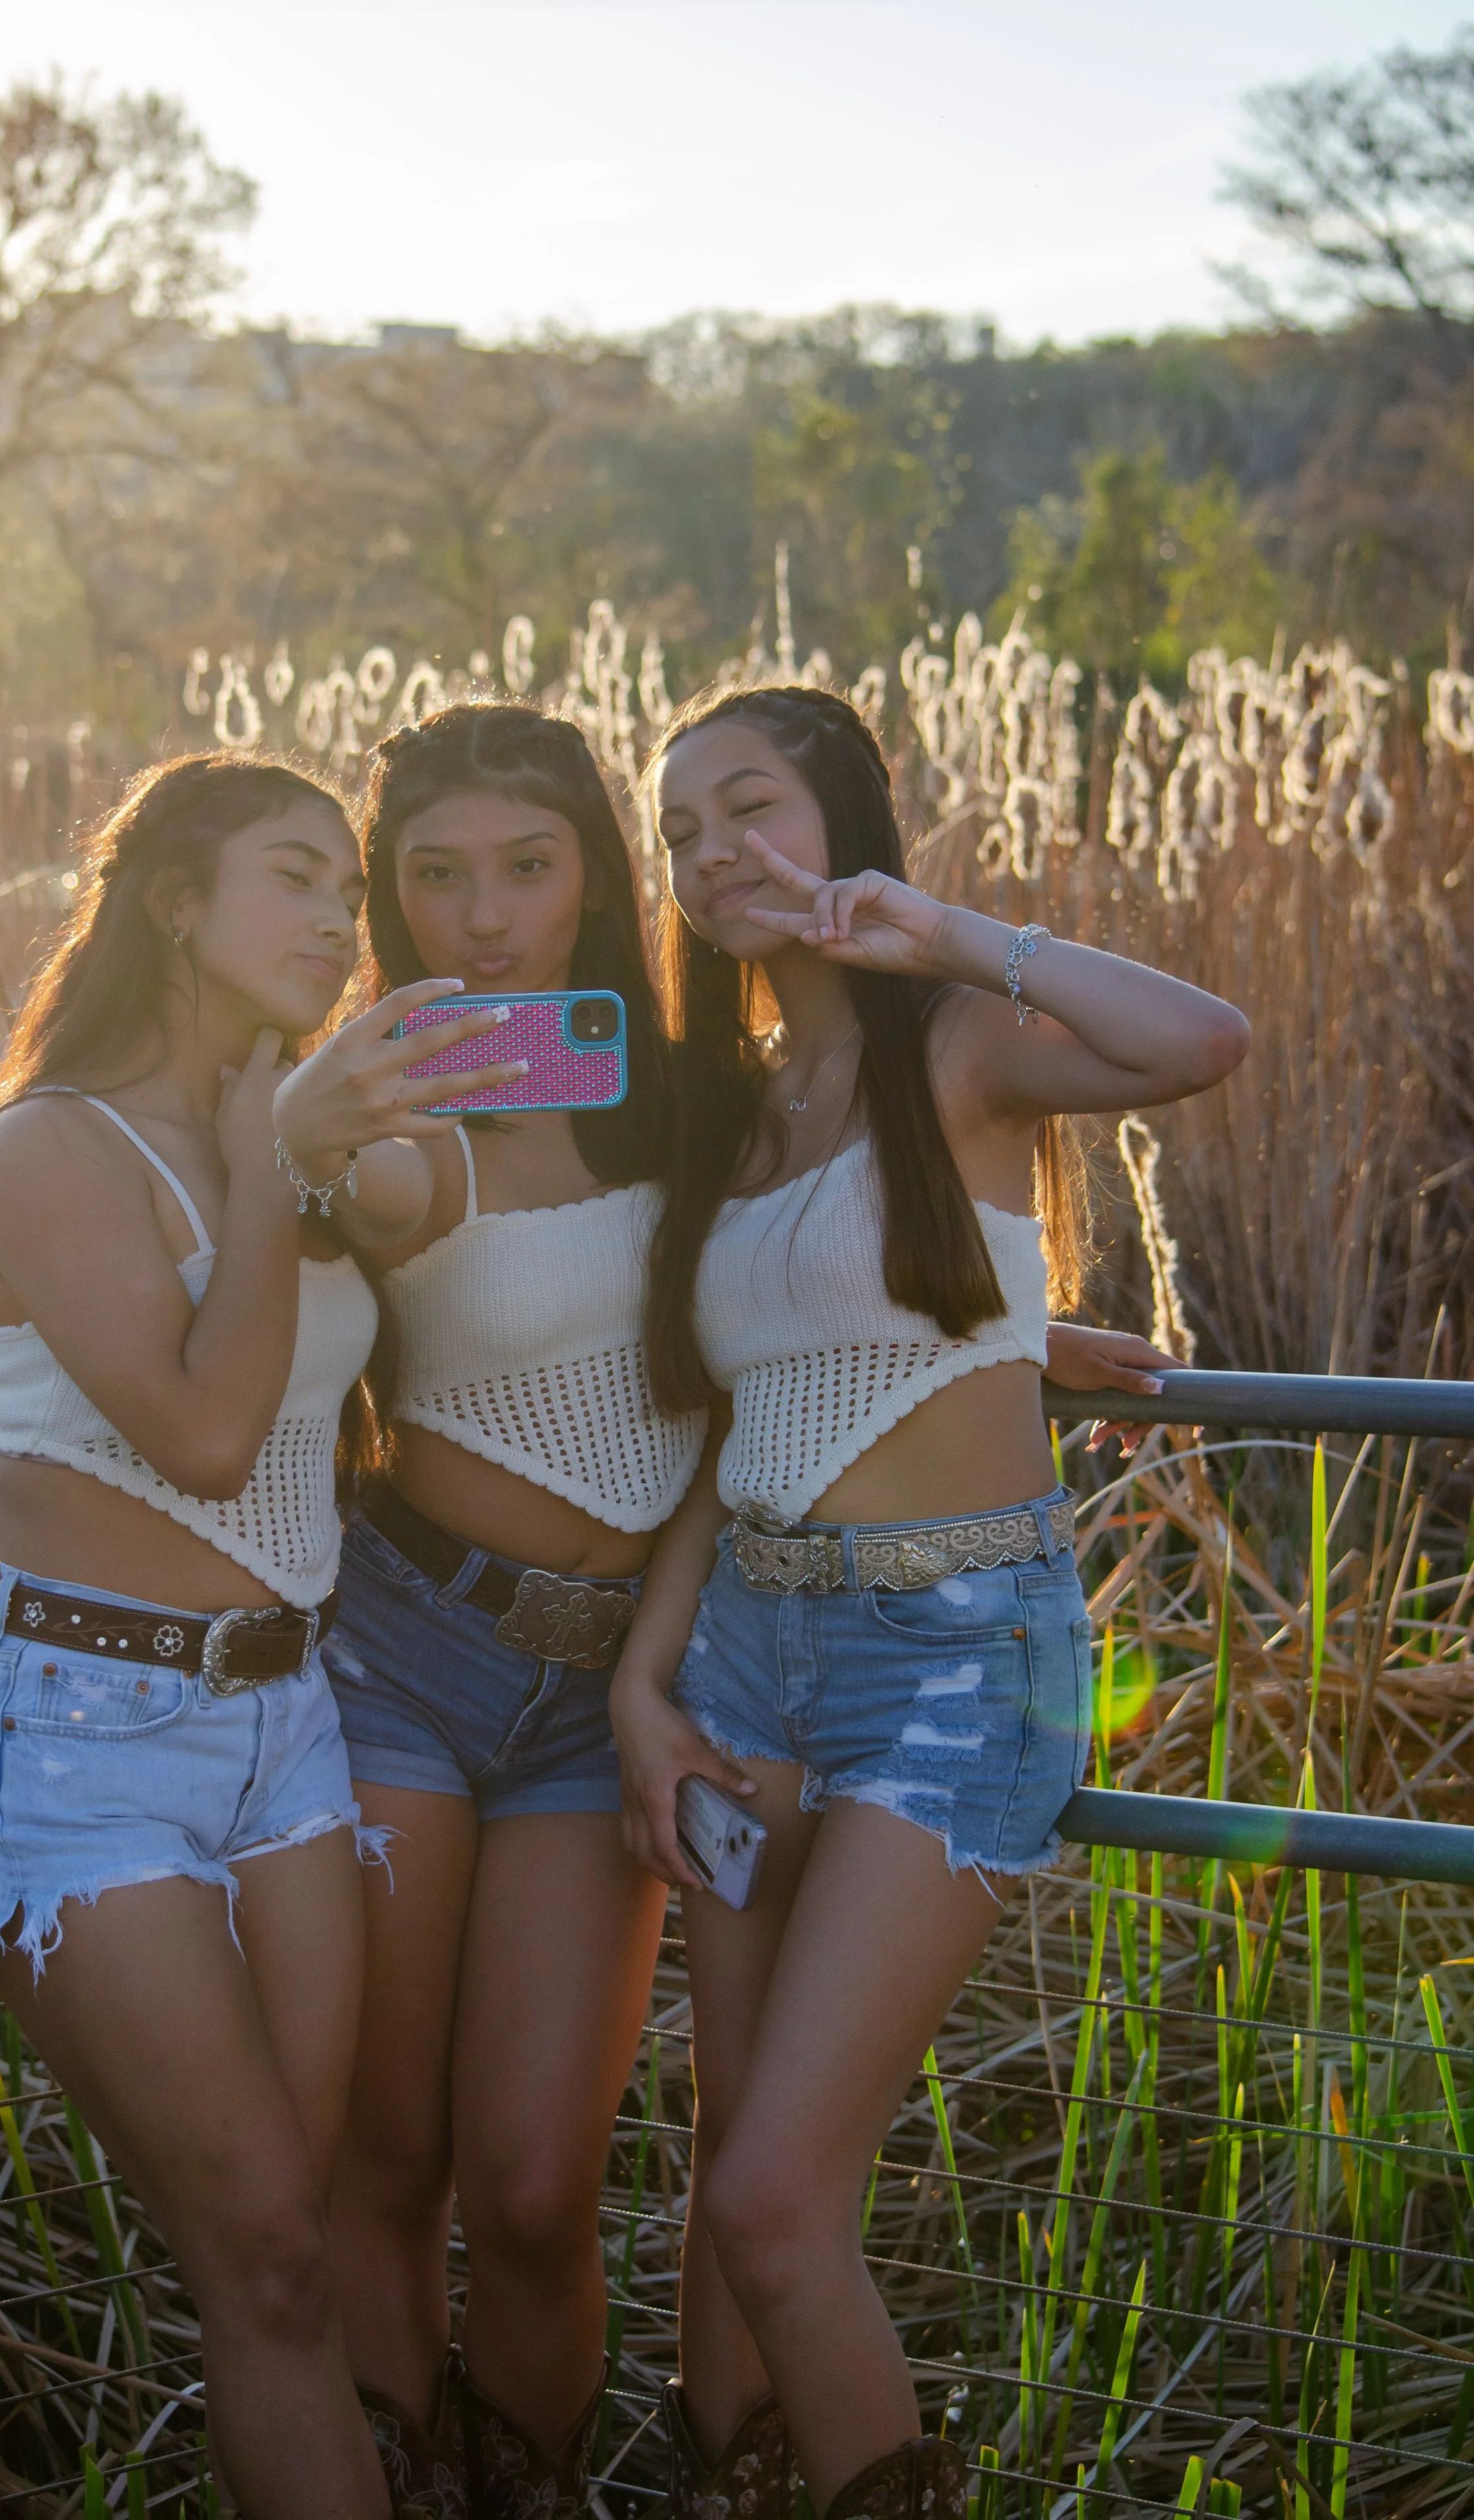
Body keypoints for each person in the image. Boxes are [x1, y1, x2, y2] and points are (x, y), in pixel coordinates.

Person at [276, 700, 1175, 2520]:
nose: (483, 915)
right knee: (387, 2155)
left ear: (597, 881)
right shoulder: (382, 1094)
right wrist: (312, 1141)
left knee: (541, 2186)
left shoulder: (697, 1098)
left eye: (531, 865)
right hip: (416, 1645)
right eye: (434, 874)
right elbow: (367, 1213)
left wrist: (993, 1323)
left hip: (643, 1670)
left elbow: (793, 1304)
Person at [609, 684, 1250, 2520]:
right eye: (680, 831)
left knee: (770, 2198)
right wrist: (646, 1687)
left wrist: (948, 930)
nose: (712, 852)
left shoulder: (959, 1046)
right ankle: (728, 2485)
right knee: (730, 2161)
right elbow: (752, 1409)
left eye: (749, 806)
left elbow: (1201, 1041)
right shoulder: (733, 1109)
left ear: (844, 822)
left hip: (959, 1666)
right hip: (747, 1658)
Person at [0, 752, 519, 2520]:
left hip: (286, 1730)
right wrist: (276, 1165)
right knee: (260, 2256)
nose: (341, 915)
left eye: (347, 884)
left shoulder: (291, 1133)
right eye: (293, 876)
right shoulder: (50, 1147)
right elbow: (202, 1434)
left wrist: (369, 1126)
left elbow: (432, 1210)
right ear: (176, 905)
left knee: (294, 2254)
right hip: (83, 1739)